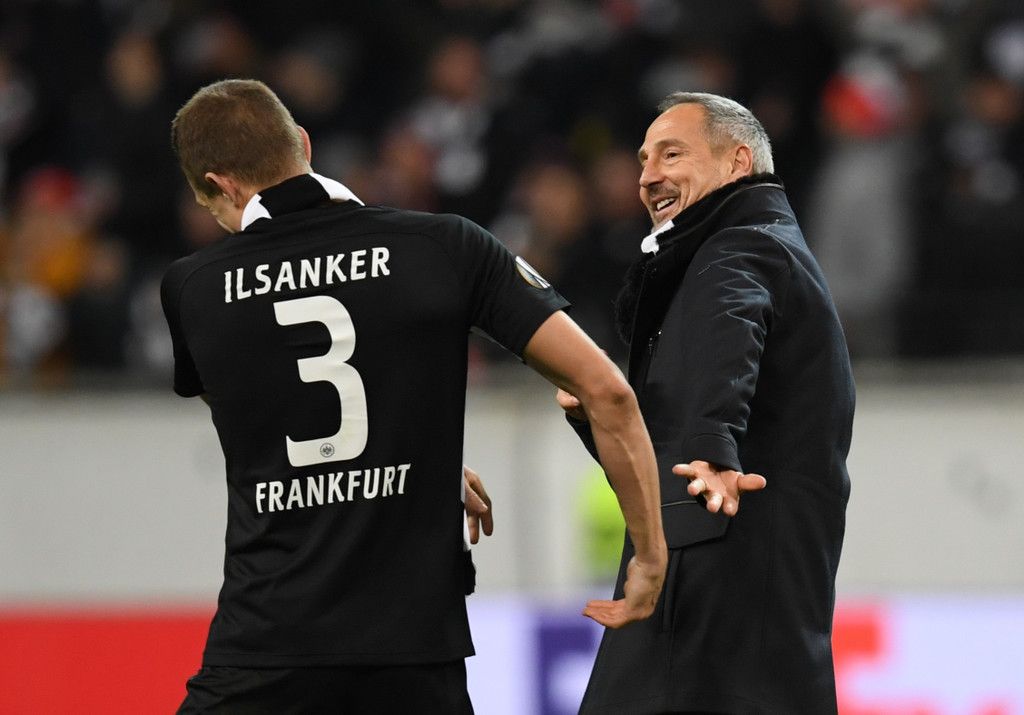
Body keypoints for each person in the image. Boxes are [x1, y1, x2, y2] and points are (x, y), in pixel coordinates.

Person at [161, 79, 667, 714]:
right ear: (304, 145)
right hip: (415, 658)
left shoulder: (192, 288)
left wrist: (393, 450)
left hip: (265, 650)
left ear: (222, 186)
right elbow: (607, 391)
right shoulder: (445, 246)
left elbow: (253, 405)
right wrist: (650, 554)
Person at [558, 92, 854, 714]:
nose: (648, 177)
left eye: (672, 154)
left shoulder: (740, 248)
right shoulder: (761, 250)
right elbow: (686, 412)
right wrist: (598, 418)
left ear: (738, 162)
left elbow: (731, 330)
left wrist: (713, 445)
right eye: (643, 160)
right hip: (734, 582)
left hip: (713, 581)